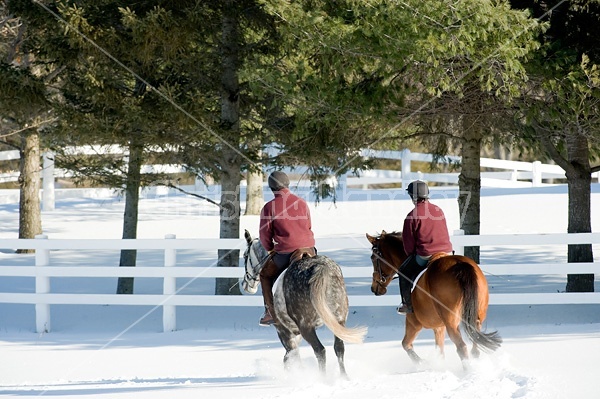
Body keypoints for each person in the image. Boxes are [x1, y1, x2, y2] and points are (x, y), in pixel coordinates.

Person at [257, 171, 316, 326]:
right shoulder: (302, 203)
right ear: (288, 184)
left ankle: (270, 312)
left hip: (287, 251)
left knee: (264, 275)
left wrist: (270, 248)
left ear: (271, 188)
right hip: (310, 249)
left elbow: (264, 235)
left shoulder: (269, 207)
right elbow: (308, 225)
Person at [398, 180, 453, 315]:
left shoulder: (412, 215)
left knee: (403, 272)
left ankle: (407, 305)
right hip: (447, 252)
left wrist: (411, 254)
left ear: (412, 196)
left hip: (426, 255)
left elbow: (409, 245)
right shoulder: (438, 210)